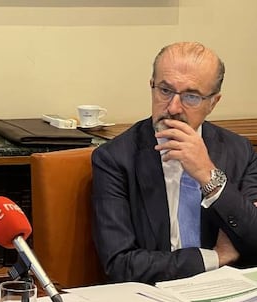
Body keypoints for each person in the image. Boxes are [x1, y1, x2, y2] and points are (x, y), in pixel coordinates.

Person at [91, 42, 257, 285]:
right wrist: (215, 257)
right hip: (155, 296)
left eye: (191, 96)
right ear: (151, 87)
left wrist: (208, 176)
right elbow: (121, 265)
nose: (172, 108)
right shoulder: (116, 159)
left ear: (213, 102)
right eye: (165, 91)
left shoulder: (239, 152)